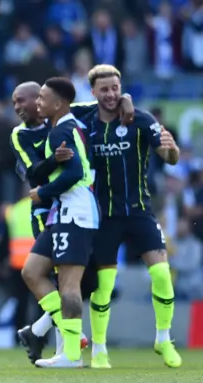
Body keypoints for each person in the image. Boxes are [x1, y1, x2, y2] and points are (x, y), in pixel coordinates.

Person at [74, 64, 181, 368]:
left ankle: (163, 339)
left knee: (161, 273)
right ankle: (99, 350)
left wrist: (171, 150)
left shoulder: (140, 119)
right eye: (104, 89)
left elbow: (168, 157)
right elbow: (58, 107)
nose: (111, 94)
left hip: (139, 211)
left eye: (115, 89)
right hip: (104, 216)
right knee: (104, 286)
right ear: (93, 92)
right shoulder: (84, 119)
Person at [21, 77, 99, 368]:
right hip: (63, 213)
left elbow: (75, 173)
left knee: (68, 283)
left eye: (42, 98)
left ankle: (71, 355)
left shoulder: (62, 129)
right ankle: (60, 333)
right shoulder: (65, 127)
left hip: (75, 212)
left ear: (58, 103)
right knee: (32, 271)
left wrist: (43, 192)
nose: (38, 103)